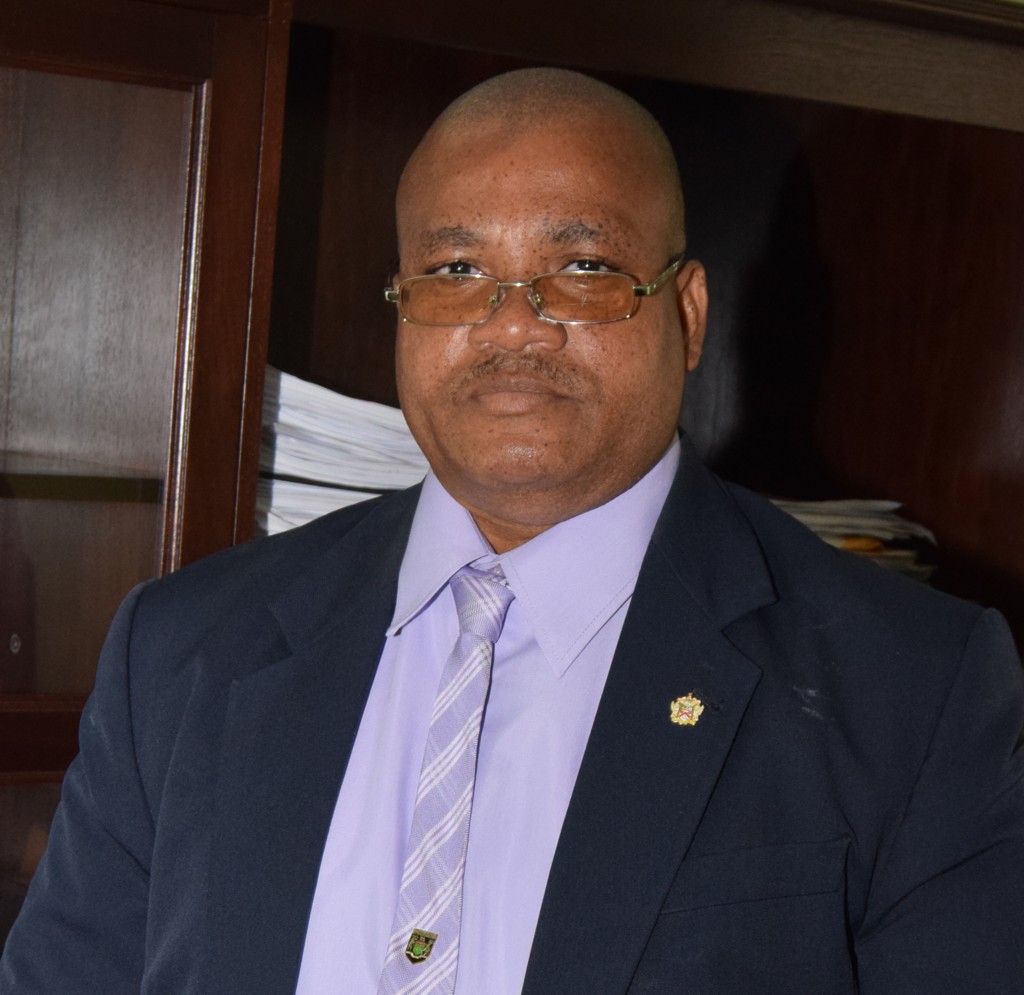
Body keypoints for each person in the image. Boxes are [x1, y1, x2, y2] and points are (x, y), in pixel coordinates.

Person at [2, 67, 1023, 994]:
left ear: (688, 313)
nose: (512, 323)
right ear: (400, 305)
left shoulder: (914, 688)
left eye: (583, 264)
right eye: (455, 269)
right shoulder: (180, 650)